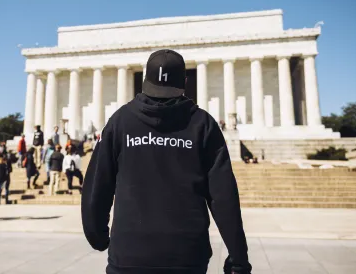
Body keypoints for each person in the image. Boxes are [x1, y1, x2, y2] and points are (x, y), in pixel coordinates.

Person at [81, 49, 252, 274]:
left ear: (145, 80)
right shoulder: (203, 124)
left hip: (129, 253)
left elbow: (97, 184)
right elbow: (223, 195)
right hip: (187, 256)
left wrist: (97, 235)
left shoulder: (120, 122)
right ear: (184, 81)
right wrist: (238, 256)